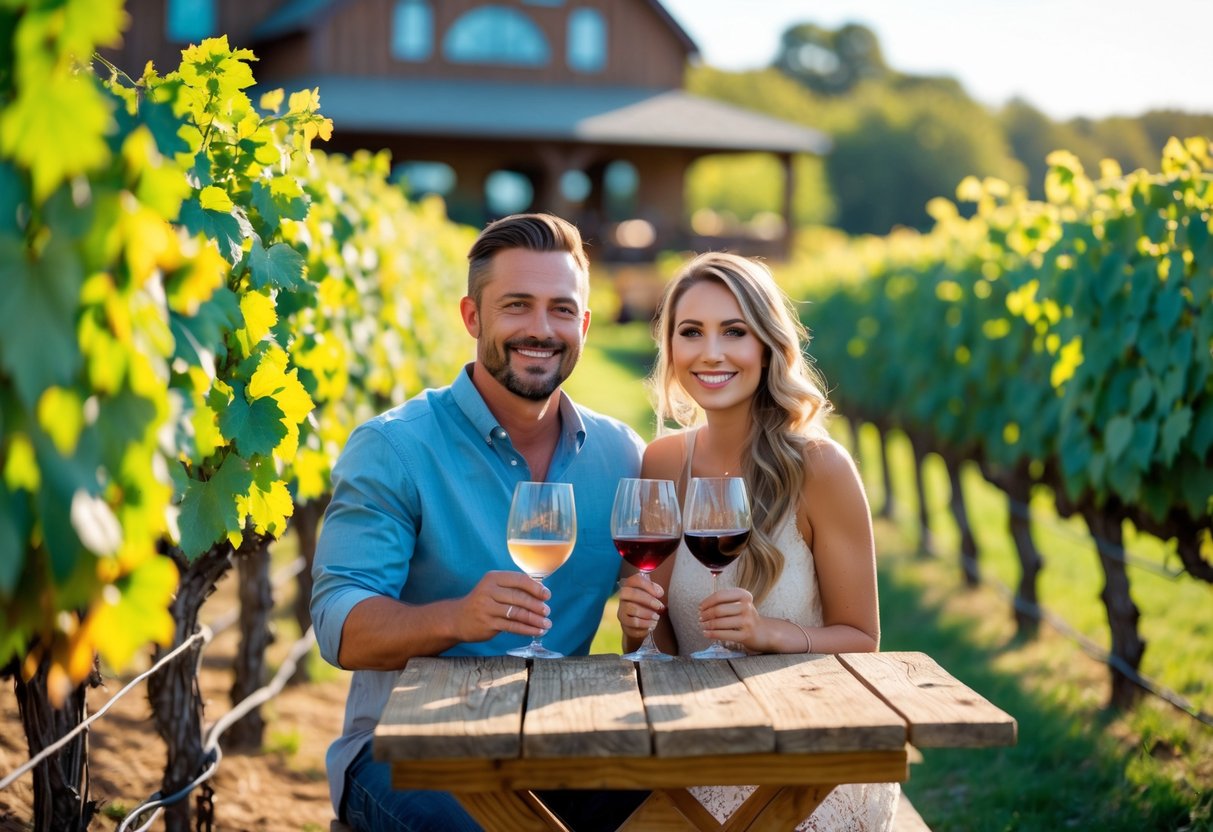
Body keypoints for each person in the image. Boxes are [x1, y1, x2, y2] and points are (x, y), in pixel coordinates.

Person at [312, 213, 646, 831]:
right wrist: (455, 618)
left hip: (556, 743)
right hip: (403, 753)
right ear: (473, 317)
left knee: (692, 809)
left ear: (585, 325)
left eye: (561, 310)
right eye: (517, 306)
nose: (541, 330)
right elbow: (340, 628)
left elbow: (652, 617)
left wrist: (643, 621)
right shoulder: (395, 448)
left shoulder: (621, 455)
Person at [616, 251, 900, 830]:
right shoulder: (664, 461)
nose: (711, 352)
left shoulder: (821, 468)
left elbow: (863, 637)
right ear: (670, 347)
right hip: (696, 743)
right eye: (690, 332)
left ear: (768, 346)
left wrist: (766, 633)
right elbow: (660, 650)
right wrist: (636, 624)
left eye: (734, 332)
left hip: (809, 760)